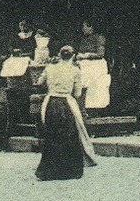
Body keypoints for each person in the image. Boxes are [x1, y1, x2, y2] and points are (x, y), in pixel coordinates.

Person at [36, 45, 97, 180]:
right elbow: (77, 93)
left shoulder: (50, 67)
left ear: (59, 54)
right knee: (69, 136)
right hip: (66, 104)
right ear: (73, 56)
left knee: (52, 136)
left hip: (51, 103)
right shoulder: (75, 70)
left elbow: (39, 82)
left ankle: (49, 171)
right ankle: (69, 171)